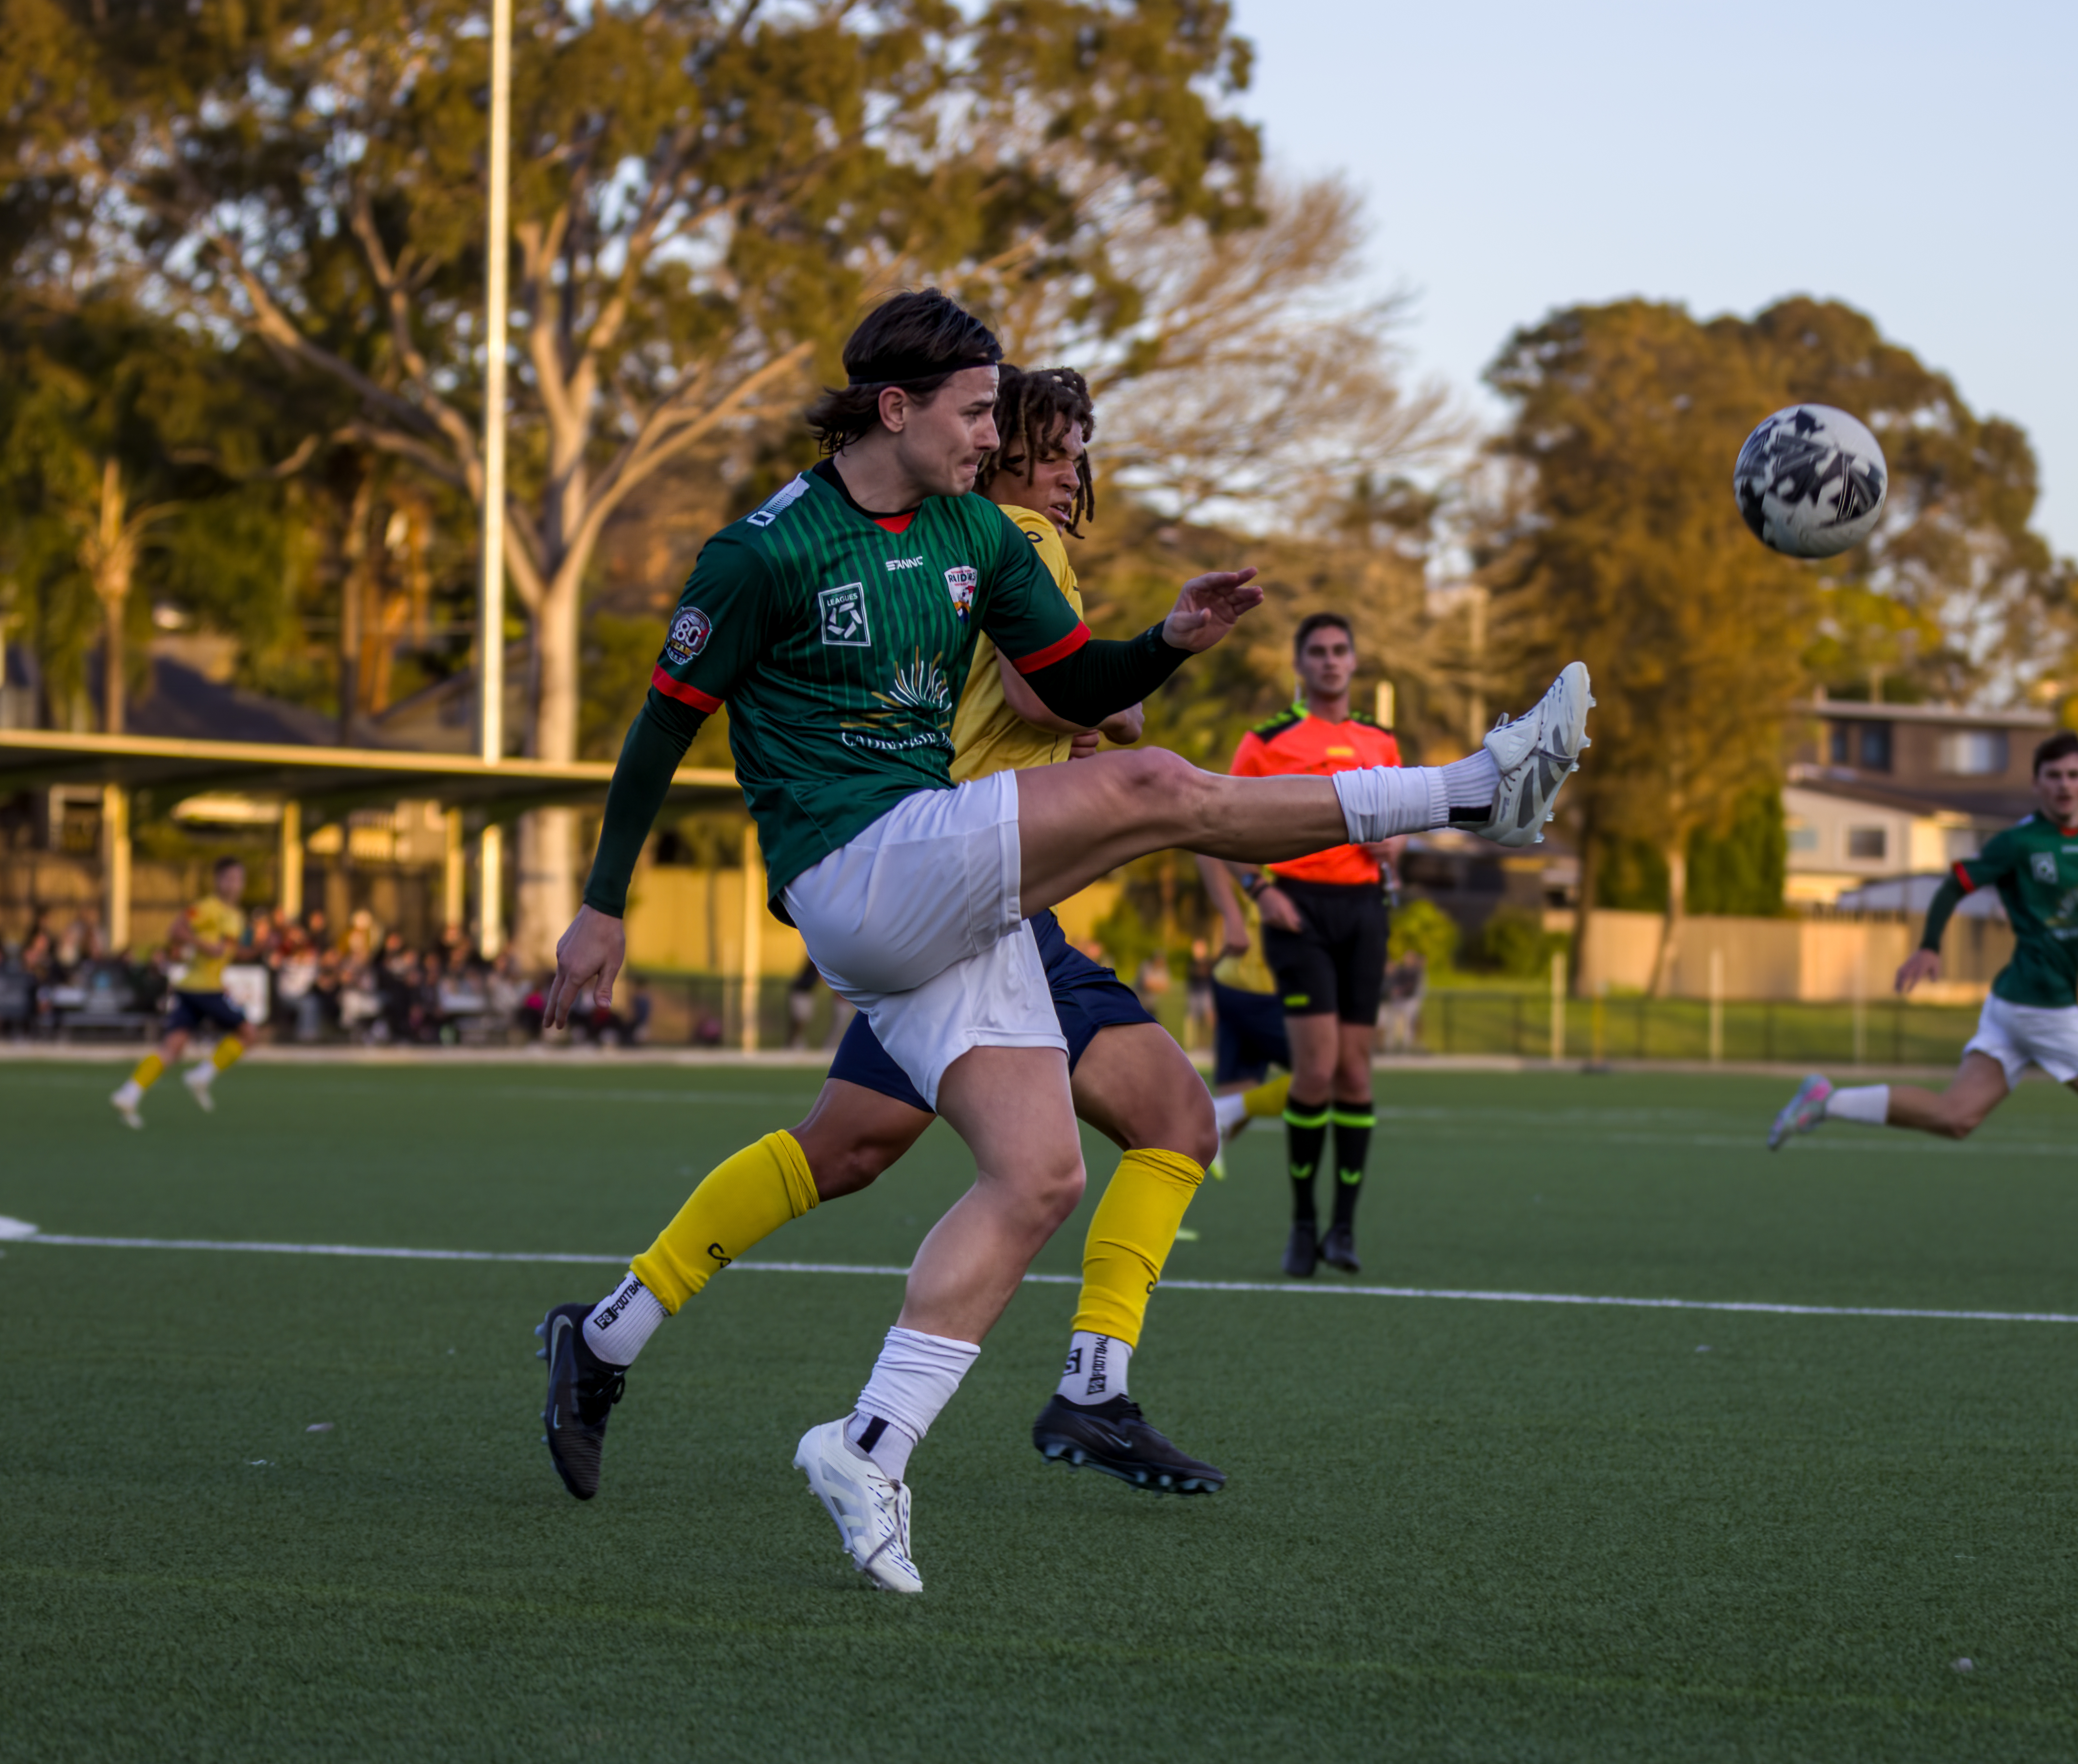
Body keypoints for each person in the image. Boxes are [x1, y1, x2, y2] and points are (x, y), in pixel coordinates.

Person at [533, 289, 1592, 1597]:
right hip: (855, 868)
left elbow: (1076, 681)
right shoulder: (764, 553)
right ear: (895, 408)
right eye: (978, 411)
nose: (997, 433)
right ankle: (1479, 789)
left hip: (949, 891)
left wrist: (1170, 640)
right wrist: (603, 900)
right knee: (1155, 793)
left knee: (1036, 1177)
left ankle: (867, 1444)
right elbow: (661, 724)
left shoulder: (981, 532)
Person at [1764, 730, 2078, 1263]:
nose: (2064, 785)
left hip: (2012, 1003)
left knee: (1955, 1116)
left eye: (2074, 775)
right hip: (2040, 1003)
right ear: (2035, 784)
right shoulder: (2017, 843)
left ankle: (1826, 1101)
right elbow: (1954, 883)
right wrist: (1929, 946)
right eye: (2053, 776)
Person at [1218, 614, 1404, 1277]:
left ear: (1354, 662)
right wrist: (1259, 891)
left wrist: (1396, 844)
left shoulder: (1380, 740)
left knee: (1356, 1071)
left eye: (1340, 650)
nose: (1330, 661)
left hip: (1363, 910)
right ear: (1299, 664)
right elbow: (1219, 822)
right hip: (1297, 910)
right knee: (1317, 1069)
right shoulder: (1267, 741)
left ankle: (1343, 1229)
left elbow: (1403, 827)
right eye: (1318, 652)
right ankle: (1300, 1224)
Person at [109, 857, 252, 1127]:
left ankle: (130, 1093)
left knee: (173, 1047)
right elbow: (175, 930)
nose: (235, 885)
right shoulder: (208, 908)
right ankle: (203, 1075)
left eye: (239, 879)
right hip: (202, 988)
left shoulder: (236, 915)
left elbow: (227, 951)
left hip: (201, 988)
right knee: (249, 1033)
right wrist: (203, 945)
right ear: (218, 880)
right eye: (230, 879)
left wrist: (255, 950)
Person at [1195, 853, 1299, 1181]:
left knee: (1212, 1126)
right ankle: (1226, 1112)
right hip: (1259, 983)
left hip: (1240, 982)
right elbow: (1206, 844)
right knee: (1333, 1072)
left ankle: (1155, 1214)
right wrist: (1232, 918)